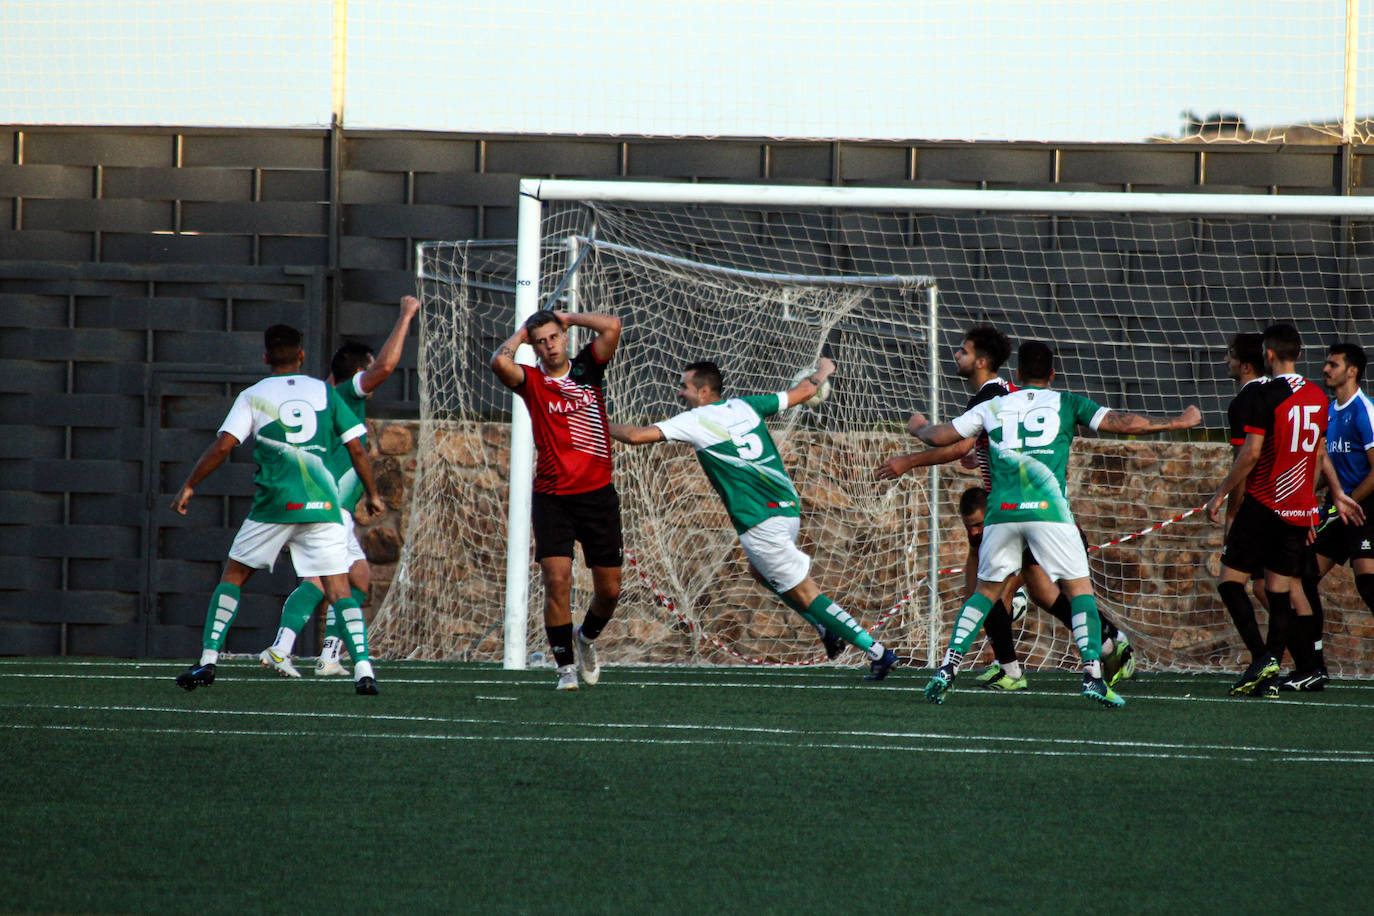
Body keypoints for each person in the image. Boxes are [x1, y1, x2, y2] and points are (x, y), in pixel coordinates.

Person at [914, 340, 1201, 707]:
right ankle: (1093, 676)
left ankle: (947, 669)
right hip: (1049, 513)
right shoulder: (1067, 401)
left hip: (1002, 513)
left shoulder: (994, 405)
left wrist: (919, 427)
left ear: (1016, 375)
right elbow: (1121, 423)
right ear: (1052, 374)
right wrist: (1177, 421)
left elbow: (941, 437)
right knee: (1078, 592)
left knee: (985, 592)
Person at [876, 326, 1134, 691]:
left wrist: (909, 457)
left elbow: (954, 445)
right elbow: (982, 446)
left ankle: (1015, 665)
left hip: (1016, 510)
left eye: (962, 351)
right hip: (1025, 509)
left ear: (982, 361)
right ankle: (1099, 644)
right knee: (1044, 592)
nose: (956, 356)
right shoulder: (1001, 395)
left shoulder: (991, 396)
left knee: (986, 590)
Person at [608, 358, 899, 679]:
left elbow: (635, 436)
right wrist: (823, 371)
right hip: (787, 509)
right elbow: (803, 391)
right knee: (759, 572)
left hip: (760, 521)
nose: (679, 393)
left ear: (704, 392)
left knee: (807, 593)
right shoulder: (746, 406)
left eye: (685, 387)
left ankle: (877, 651)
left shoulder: (696, 419)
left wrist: (599, 421)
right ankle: (824, 627)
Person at [171, 324, 386, 695]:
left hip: (274, 505)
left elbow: (223, 447)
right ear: (302, 355)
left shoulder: (254, 395)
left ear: (266, 358)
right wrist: (373, 494)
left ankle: (208, 660)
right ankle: (363, 670)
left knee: (234, 576)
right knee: (339, 588)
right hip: (323, 505)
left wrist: (190, 484)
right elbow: (356, 449)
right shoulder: (324, 392)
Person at [259, 295, 421, 679]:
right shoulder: (345, 394)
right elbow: (385, 367)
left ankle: (328, 656)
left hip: (325, 505)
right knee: (321, 580)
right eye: (365, 374)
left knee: (357, 576)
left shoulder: (319, 397)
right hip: (326, 506)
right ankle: (281, 649)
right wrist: (405, 316)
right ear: (355, 376)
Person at [1204, 324, 1363, 698]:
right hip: (1299, 509)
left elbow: (1252, 453)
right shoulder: (1315, 396)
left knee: (1230, 582)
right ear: (1300, 352)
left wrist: (1220, 493)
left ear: (1268, 355)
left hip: (1265, 503)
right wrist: (1336, 493)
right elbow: (1320, 452)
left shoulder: (1267, 395)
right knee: (1277, 591)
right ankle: (1275, 665)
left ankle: (1262, 658)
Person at [491, 308, 624, 691]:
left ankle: (585, 638)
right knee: (556, 579)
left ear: (563, 338)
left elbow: (612, 326)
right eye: (541, 342)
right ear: (533, 349)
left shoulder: (588, 369)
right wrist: (520, 333)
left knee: (610, 591)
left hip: (598, 496)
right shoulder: (531, 381)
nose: (549, 346)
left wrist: (569, 317)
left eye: (553, 337)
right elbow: (499, 361)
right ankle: (565, 667)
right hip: (553, 498)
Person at [1290, 343, 1374, 691]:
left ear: (1351, 370)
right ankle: (1315, 666)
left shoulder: (1364, 410)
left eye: (1332, 364)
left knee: (1368, 582)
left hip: (1366, 509)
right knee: (1304, 577)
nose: (1325, 369)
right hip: (1337, 509)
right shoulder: (1328, 411)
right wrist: (1307, 497)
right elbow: (1321, 463)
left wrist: (1348, 502)